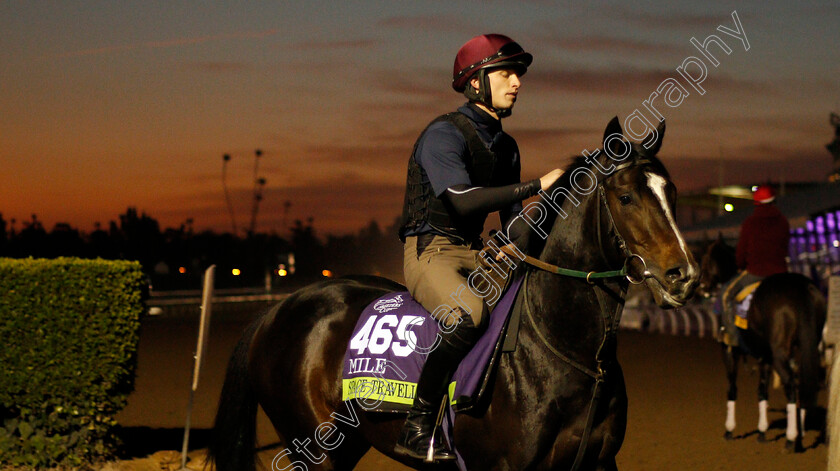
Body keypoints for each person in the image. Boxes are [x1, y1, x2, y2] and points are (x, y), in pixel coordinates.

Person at [395, 33, 564, 461]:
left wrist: (558, 207)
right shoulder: (442, 135)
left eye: (518, 74)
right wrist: (536, 184)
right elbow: (463, 199)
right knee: (469, 316)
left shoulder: (506, 146)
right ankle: (417, 425)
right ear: (475, 83)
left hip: (477, 252)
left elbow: (512, 223)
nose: (517, 82)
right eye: (506, 73)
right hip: (429, 253)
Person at [720, 184, 790, 346]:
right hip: (780, 273)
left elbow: (741, 252)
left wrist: (740, 265)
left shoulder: (750, 223)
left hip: (755, 272)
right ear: (774, 201)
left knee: (726, 296)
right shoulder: (783, 222)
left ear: (756, 203)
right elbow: (785, 248)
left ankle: (732, 338)